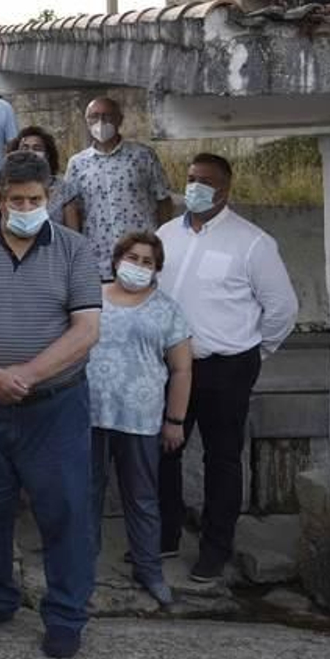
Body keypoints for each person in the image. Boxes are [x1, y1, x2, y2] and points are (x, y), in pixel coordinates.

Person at [0, 151, 102, 659]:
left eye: (36, 199)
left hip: (56, 405)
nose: (27, 208)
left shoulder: (74, 249)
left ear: (48, 197)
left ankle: (66, 613)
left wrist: (27, 375)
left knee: (65, 508)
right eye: (17, 200)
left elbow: (86, 329)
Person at [156, 153, 297, 583]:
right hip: (170, 365)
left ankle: (215, 548)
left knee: (222, 458)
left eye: (206, 181)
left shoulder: (252, 243)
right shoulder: (166, 234)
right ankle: (164, 535)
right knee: (163, 452)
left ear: (225, 189)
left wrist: (254, 351)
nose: (195, 187)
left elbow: (282, 308)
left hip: (226, 367)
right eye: (191, 178)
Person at [89, 231, 193, 608]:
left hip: (141, 420)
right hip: (88, 416)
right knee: (85, 497)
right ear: (117, 260)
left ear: (157, 269)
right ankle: (81, 570)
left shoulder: (168, 310)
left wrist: (175, 420)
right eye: (132, 258)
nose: (138, 266)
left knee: (143, 498)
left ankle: (149, 570)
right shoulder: (91, 298)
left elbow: (181, 369)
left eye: (147, 262)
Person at [61, 97, 173, 279]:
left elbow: (163, 199)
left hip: (141, 254)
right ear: (87, 121)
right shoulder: (77, 163)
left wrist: (163, 239)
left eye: (107, 116)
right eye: (94, 116)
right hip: (99, 257)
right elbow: (72, 209)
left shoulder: (143, 156)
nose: (100, 122)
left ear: (120, 119)